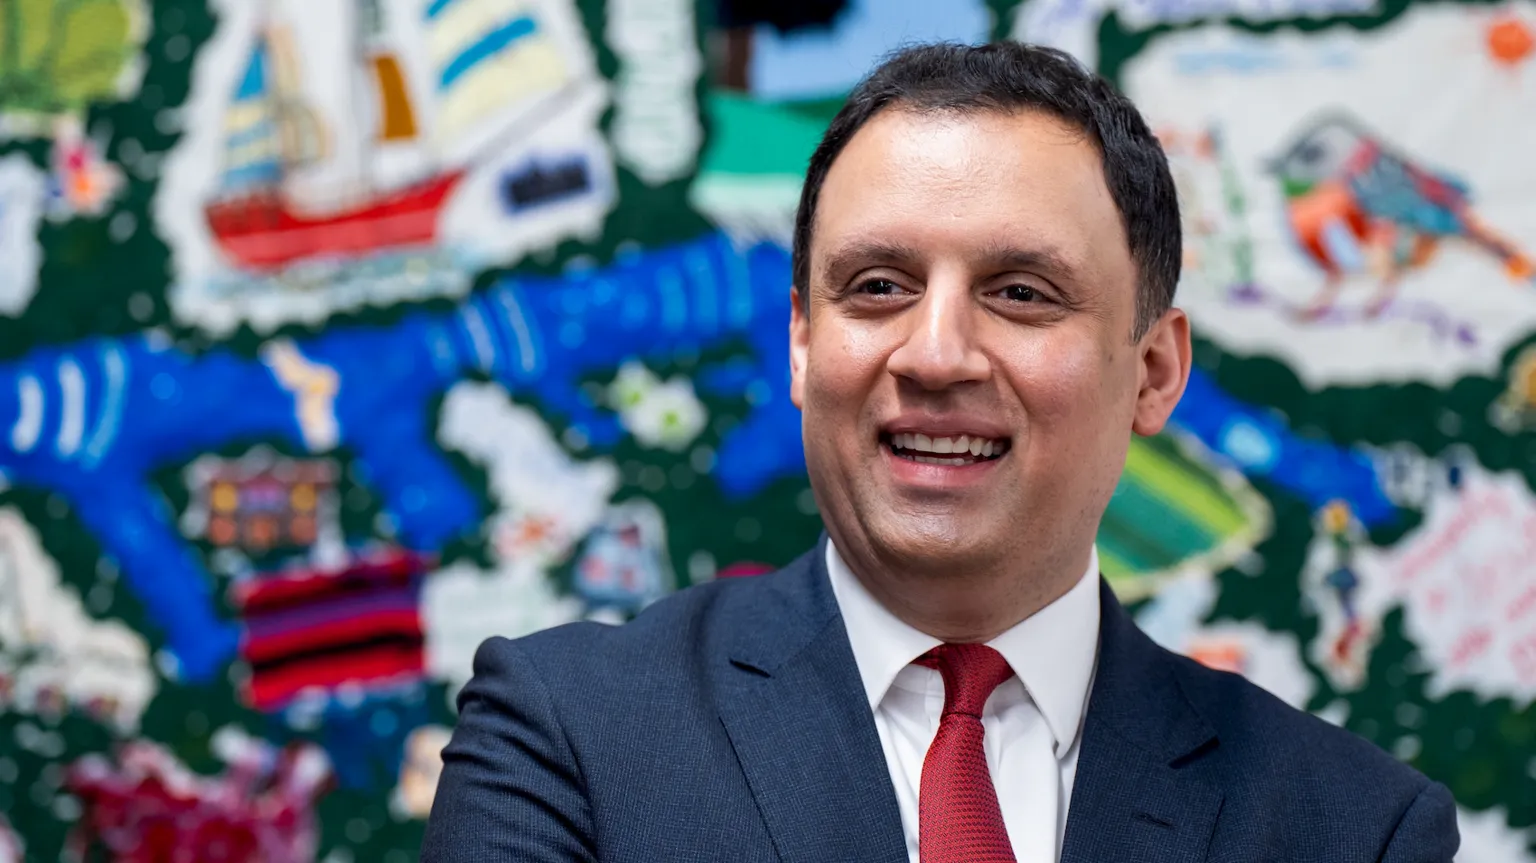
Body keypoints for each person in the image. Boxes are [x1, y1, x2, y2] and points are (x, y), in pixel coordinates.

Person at [421, 42, 1459, 862]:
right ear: (800, 342)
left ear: (1152, 371)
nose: (935, 351)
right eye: (877, 286)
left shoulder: (1355, 827)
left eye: (1019, 292)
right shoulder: (567, 737)